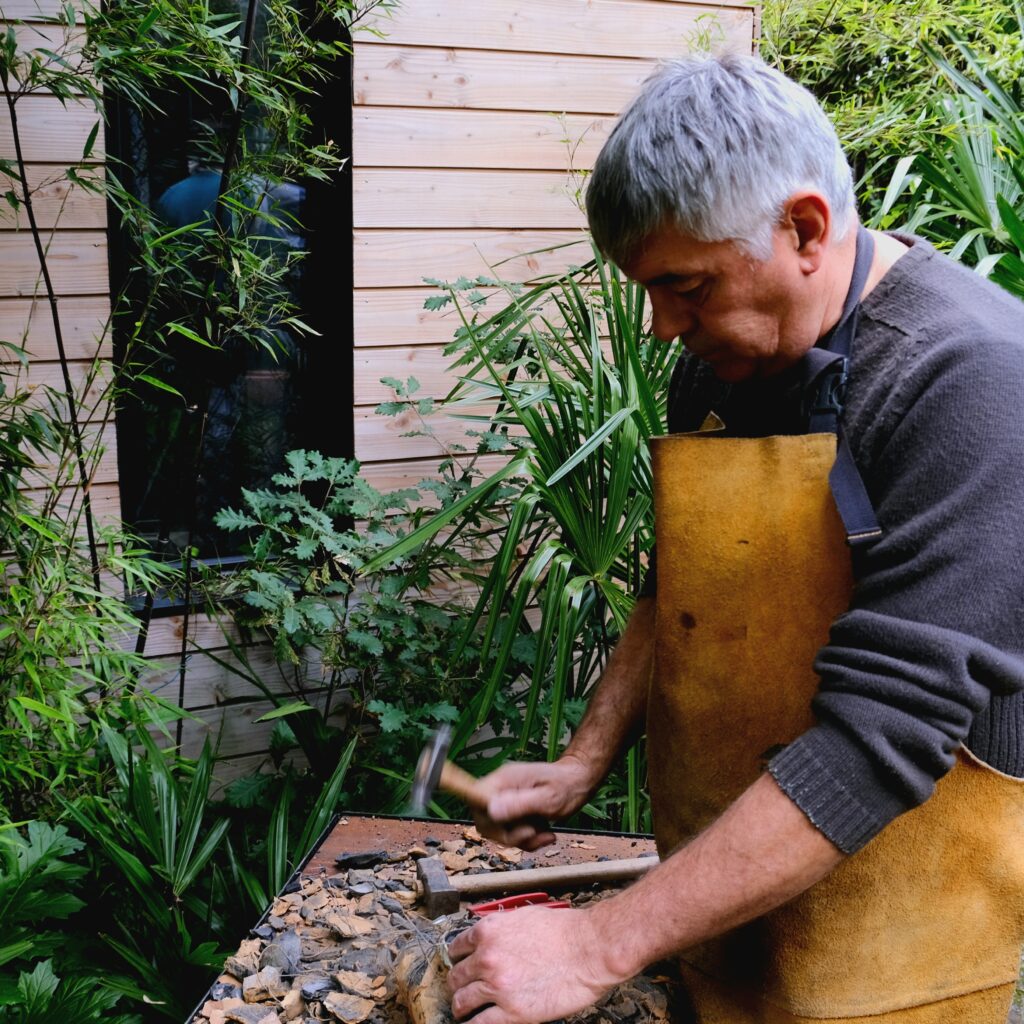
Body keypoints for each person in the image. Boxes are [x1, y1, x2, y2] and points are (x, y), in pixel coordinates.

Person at [446, 54, 1024, 1024]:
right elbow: (680, 578)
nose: (663, 326)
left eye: (687, 286)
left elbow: (881, 741)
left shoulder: (970, 384)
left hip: (910, 937)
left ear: (802, 229)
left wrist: (594, 943)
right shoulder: (724, 364)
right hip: (724, 906)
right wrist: (586, 756)